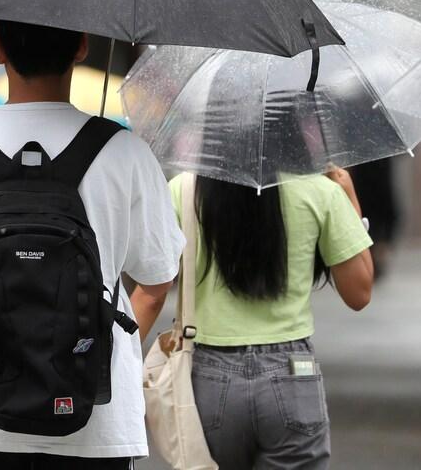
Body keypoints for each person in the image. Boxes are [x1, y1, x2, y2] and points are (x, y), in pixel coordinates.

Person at [0, 19, 186, 469]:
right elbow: (156, 282)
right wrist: (96, 350)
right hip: (97, 424)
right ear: (81, 46)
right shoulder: (125, 150)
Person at [136, 167, 374, 470]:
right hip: (292, 374)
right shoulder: (320, 190)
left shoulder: (183, 189)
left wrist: (112, 364)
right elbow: (359, 293)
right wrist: (348, 197)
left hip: (209, 379)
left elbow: (152, 293)